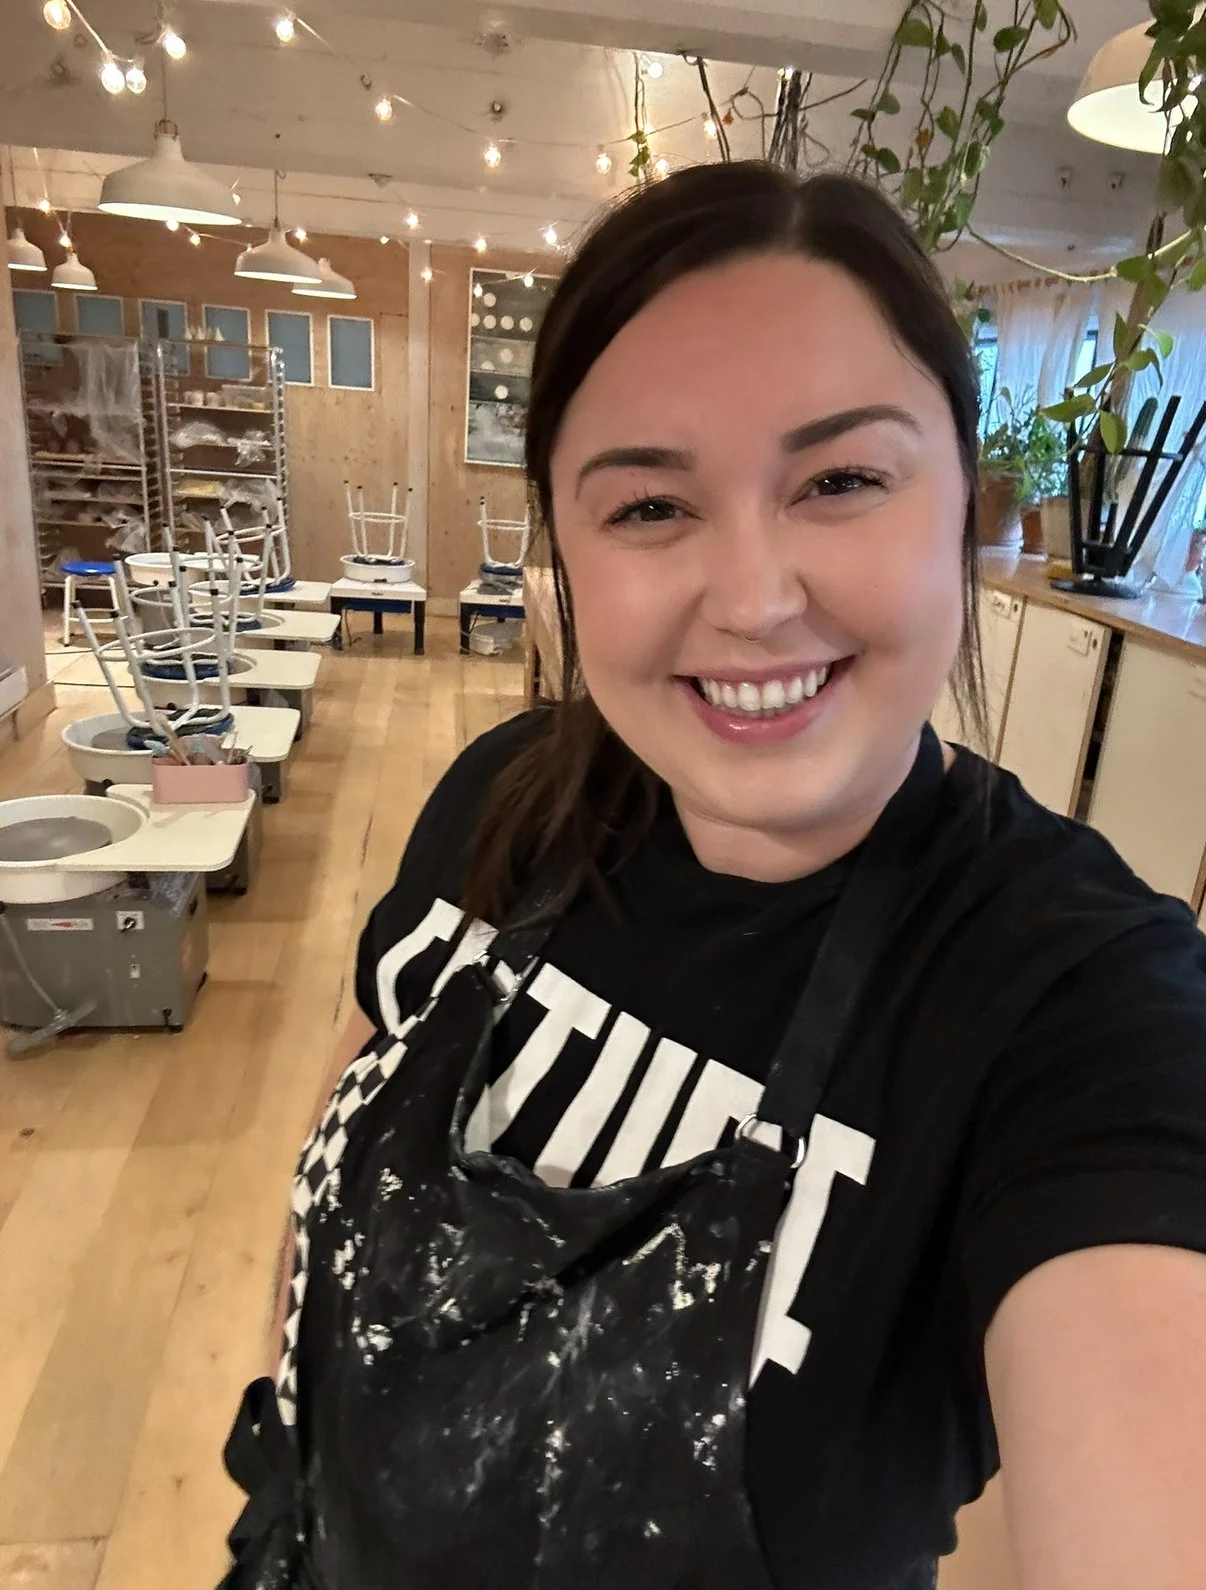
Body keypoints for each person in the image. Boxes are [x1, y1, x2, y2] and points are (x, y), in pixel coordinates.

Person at [220, 163, 1206, 1590]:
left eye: (841, 481)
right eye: (647, 506)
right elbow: (362, 1089)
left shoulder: (1076, 1003)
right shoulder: (506, 792)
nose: (752, 601)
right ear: (563, 546)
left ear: (959, 508)